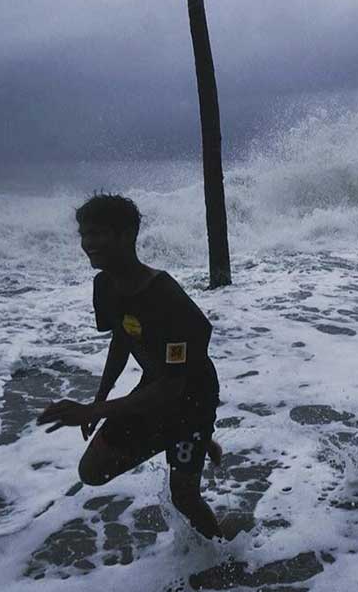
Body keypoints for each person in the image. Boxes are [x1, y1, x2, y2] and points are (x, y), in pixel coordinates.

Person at [37, 194, 223, 539]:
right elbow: (122, 337)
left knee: (184, 496)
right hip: (155, 387)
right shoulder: (104, 285)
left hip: (191, 398)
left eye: (97, 234)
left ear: (125, 236)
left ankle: (227, 557)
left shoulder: (167, 298)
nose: (88, 244)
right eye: (84, 235)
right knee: (92, 470)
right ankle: (186, 442)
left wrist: (94, 409)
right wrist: (100, 396)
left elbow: (173, 387)